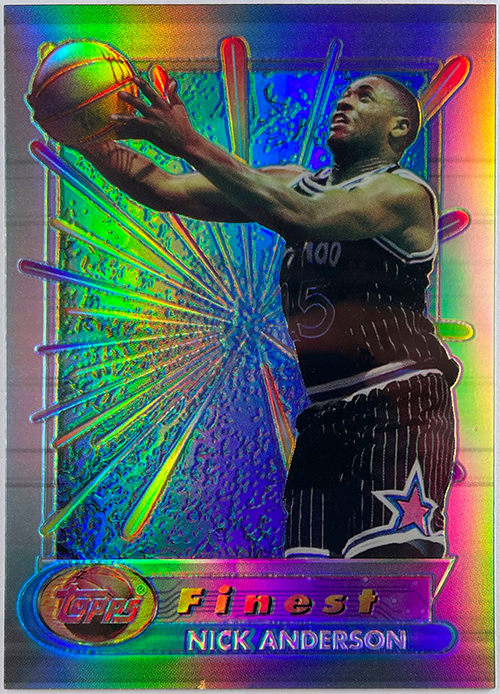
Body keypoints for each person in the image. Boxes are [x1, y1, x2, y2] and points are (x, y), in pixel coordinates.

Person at [75, 72, 459, 560]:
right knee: (308, 584)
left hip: (399, 405)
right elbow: (162, 188)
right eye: (344, 94)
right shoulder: (291, 183)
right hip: (326, 416)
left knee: (386, 580)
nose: (345, 102)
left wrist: (188, 142)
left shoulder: (403, 193)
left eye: (365, 98)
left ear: (399, 127)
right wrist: (80, 131)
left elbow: (304, 216)